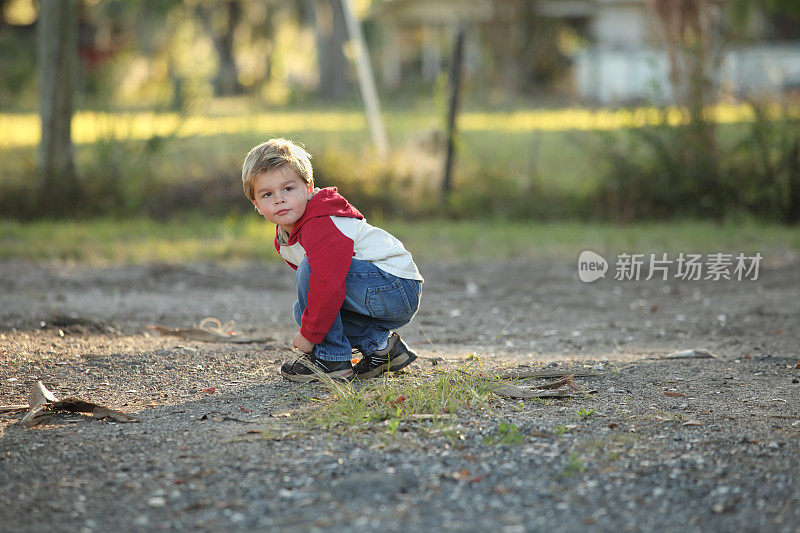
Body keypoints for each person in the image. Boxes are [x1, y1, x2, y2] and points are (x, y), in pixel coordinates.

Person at [242, 138, 424, 382]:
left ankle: (332, 359)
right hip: (381, 291)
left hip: (393, 284)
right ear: (256, 204)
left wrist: (309, 337)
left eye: (288, 189)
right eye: (267, 194)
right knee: (304, 310)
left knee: (313, 283)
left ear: (308, 188)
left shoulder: (320, 221)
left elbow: (326, 284)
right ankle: (383, 348)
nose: (279, 199)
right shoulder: (286, 238)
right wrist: (310, 326)